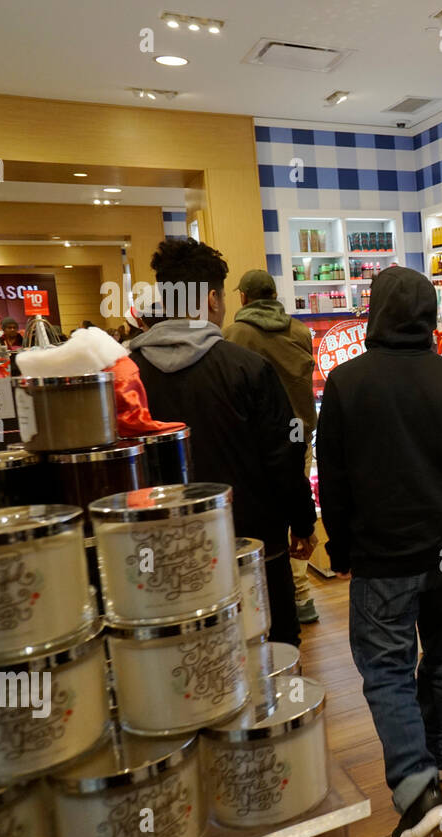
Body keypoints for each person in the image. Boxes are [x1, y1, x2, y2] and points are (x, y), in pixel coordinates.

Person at [316, 266, 442, 837]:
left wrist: (340, 548)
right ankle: (441, 758)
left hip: (384, 554)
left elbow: (335, 481)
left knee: (387, 670)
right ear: (429, 315)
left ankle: (418, 788)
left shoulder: (348, 383)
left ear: (375, 311)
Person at [128, 238, 317, 646]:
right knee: (271, 654)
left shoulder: (127, 374)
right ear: (213, 299)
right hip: (252, 548)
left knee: (182, 659)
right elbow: (284, 455)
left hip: (159, 554)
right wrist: (303, 524)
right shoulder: (247, 369)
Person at [222, 268, 320, 626]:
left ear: (244, 298)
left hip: (256, 442)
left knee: (263, 517)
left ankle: (259, 597)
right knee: (299, 509)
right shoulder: (300, 331)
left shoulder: (233, 333)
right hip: (299, 434)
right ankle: (303, 595)